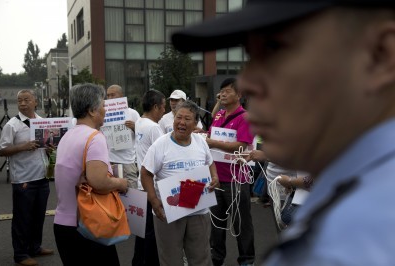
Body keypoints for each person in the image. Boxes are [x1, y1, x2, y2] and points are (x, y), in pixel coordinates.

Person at [172, 1, 395, 265]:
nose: (248, 83)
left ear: (380, 55)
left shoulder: (352, 241)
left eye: (276, 49)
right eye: (251, 56)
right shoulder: (352, 193)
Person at [53, 83, 128, 266]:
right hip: (88, 225)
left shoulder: (67, 136)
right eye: (103, 105)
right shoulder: (94, 137)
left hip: (63, 224)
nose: (105, 109)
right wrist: (121, 183)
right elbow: (98, 182)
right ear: (92, 110)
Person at [141, 100, 219, 266]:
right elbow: (146, 173)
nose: (181, 122)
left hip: (199, 211)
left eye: (187, 119)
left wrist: (214, 177)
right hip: (169, 213)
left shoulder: (200, 142)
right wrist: (154, 202)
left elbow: (210, 162)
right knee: (171, 260)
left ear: (196, 123)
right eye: (178, 117)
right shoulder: (160, 145)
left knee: (201, 259)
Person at [0, 89, 54, 266]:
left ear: (35, 102)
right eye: (20, 100)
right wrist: (22, 146)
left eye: (26, 100)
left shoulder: (42, 122)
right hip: (23, 179)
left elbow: (48, 144)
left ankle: (35, 247)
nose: (22, 103)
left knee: (38, 215)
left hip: (42, 176)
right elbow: (1, 151)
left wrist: (49, 148)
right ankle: (20, 254)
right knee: (22, 218)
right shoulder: (12, 125)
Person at [204, 77, 255, 266]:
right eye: (221, 91)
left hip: (236, 179)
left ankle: (247, 260)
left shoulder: (246, 117)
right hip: (216, 178)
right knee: (217, 224)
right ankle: (216, 259)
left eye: (227, 91)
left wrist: (213, 142)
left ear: (239, 95)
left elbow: (241, 146)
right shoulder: (218, 116)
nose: (223, 94)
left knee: (241, 223)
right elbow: (210, 136)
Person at [132, 89, 165, 266]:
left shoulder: (140, 122)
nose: (164, 111)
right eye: (163, 107)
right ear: (155, 107)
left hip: (141, 183)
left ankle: (138, 261)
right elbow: (164, 156)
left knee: (142, 230)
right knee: (152, 231)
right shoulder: (153, 127)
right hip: (152, 185)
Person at [105, 84, 140, 188]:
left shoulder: (132, 113)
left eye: (113, 95)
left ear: (121, 96)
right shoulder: (103, 114)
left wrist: (134, 127)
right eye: (108, 95)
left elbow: (141, 135)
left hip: (127, 160)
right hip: (109, 160)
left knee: (131, 193)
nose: (110, 98)